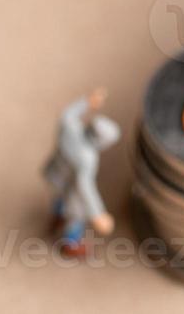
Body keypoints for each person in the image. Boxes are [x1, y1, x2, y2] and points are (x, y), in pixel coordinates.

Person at [41, 88, 121, 258]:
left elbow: (66, 114)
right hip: (71, 188)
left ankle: (56, 217)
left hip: (55, 175)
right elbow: (85, 186)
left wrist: (87, 102)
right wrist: (98, 213)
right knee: (76, 217)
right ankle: (71, 244)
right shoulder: (87, 157)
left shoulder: (71, 128)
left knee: (58, 200)